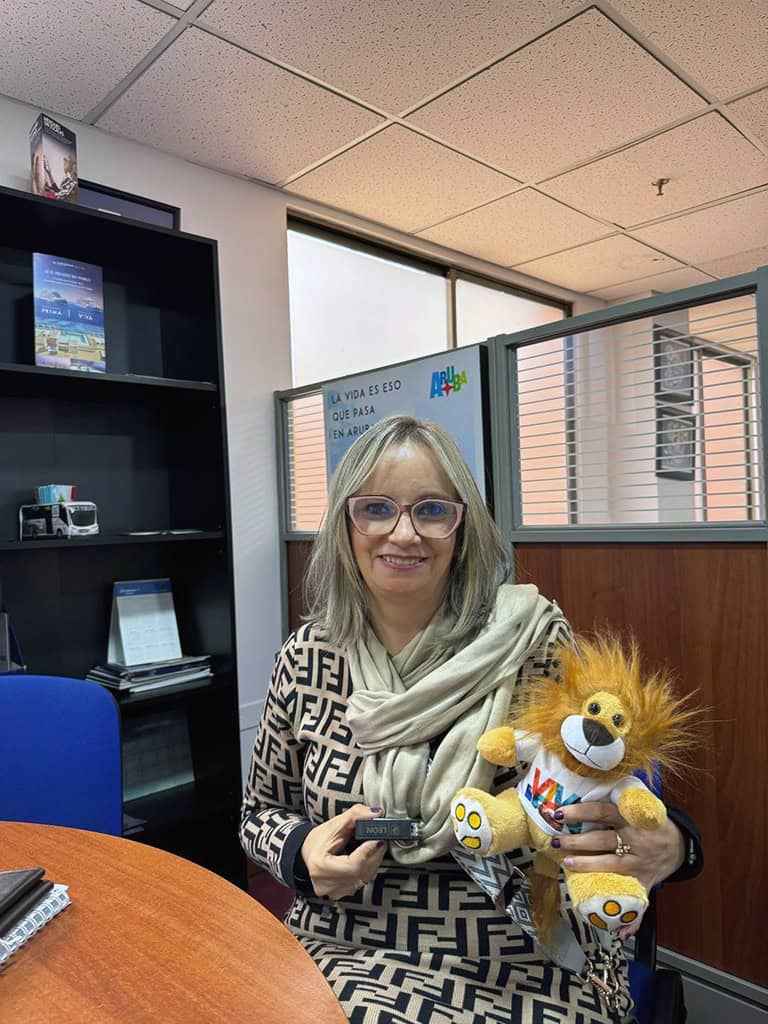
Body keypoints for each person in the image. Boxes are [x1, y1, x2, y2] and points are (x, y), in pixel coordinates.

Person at [240, 413, 702, 1024]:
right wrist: (301, 852)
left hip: (518, 944)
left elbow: (612, 787)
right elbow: (259, 813)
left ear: (463, 528)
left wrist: (675, 844)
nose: (404, 534)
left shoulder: (532, 644)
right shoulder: (307, 658)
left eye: (432, 510)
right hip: (342, 932)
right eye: (376, 509)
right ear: (345, 525)